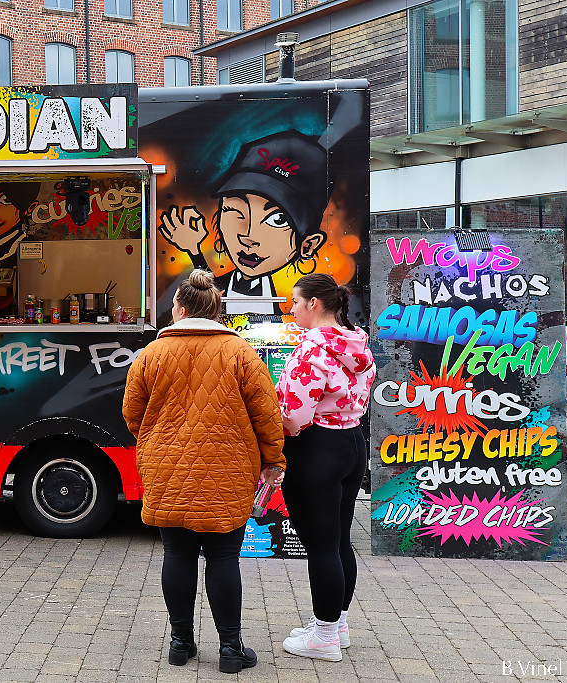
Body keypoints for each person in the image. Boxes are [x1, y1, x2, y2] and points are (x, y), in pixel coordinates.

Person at [122, 269, 286, 674]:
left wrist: (158, 436)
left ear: (179, 309)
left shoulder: (150, 355)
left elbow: (131, 414)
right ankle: (231, 649)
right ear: (217, 312)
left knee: (176, 553)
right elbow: (267, 415)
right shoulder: (241, 353)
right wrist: (273, 459)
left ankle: (180, 643)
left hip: (166, 465)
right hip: (227, 469)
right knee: (224, 556)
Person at [275, 273, 376, 662]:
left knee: (319, 544)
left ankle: (324, 638)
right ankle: (336, 624)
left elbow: (295, 417)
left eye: (296, 302)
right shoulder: (356, 342)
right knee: (338, 539)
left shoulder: (311, 350)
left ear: (314, 304)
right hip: (351, 442)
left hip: (315, 447)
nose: (292, 309)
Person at [159, 130, 329, 314]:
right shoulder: (222, 284)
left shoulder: (293, 299)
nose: (248, 236)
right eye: (235, 210)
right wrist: (194, 249)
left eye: (277, 220)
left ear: (308, 244)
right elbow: (208, 289)